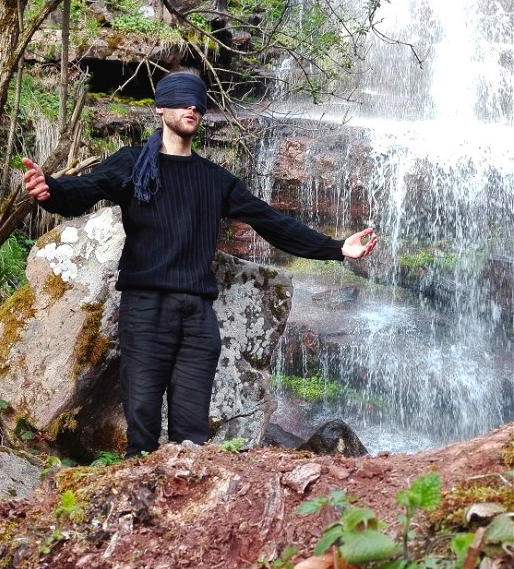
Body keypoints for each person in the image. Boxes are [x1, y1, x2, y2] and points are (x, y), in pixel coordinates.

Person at [23, 70, 377, 457]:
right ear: (160, 108)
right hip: (145, 308)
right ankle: (136, 508)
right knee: (140, 425)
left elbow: (272, 223)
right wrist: (50, 189)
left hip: (197, 315)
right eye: (180, 99)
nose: (191, 106)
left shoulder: (215, 181)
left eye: (197, 101)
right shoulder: (131, 165)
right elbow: (81, 191)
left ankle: (187, 507)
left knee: (192, 434)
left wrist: (336, 248)